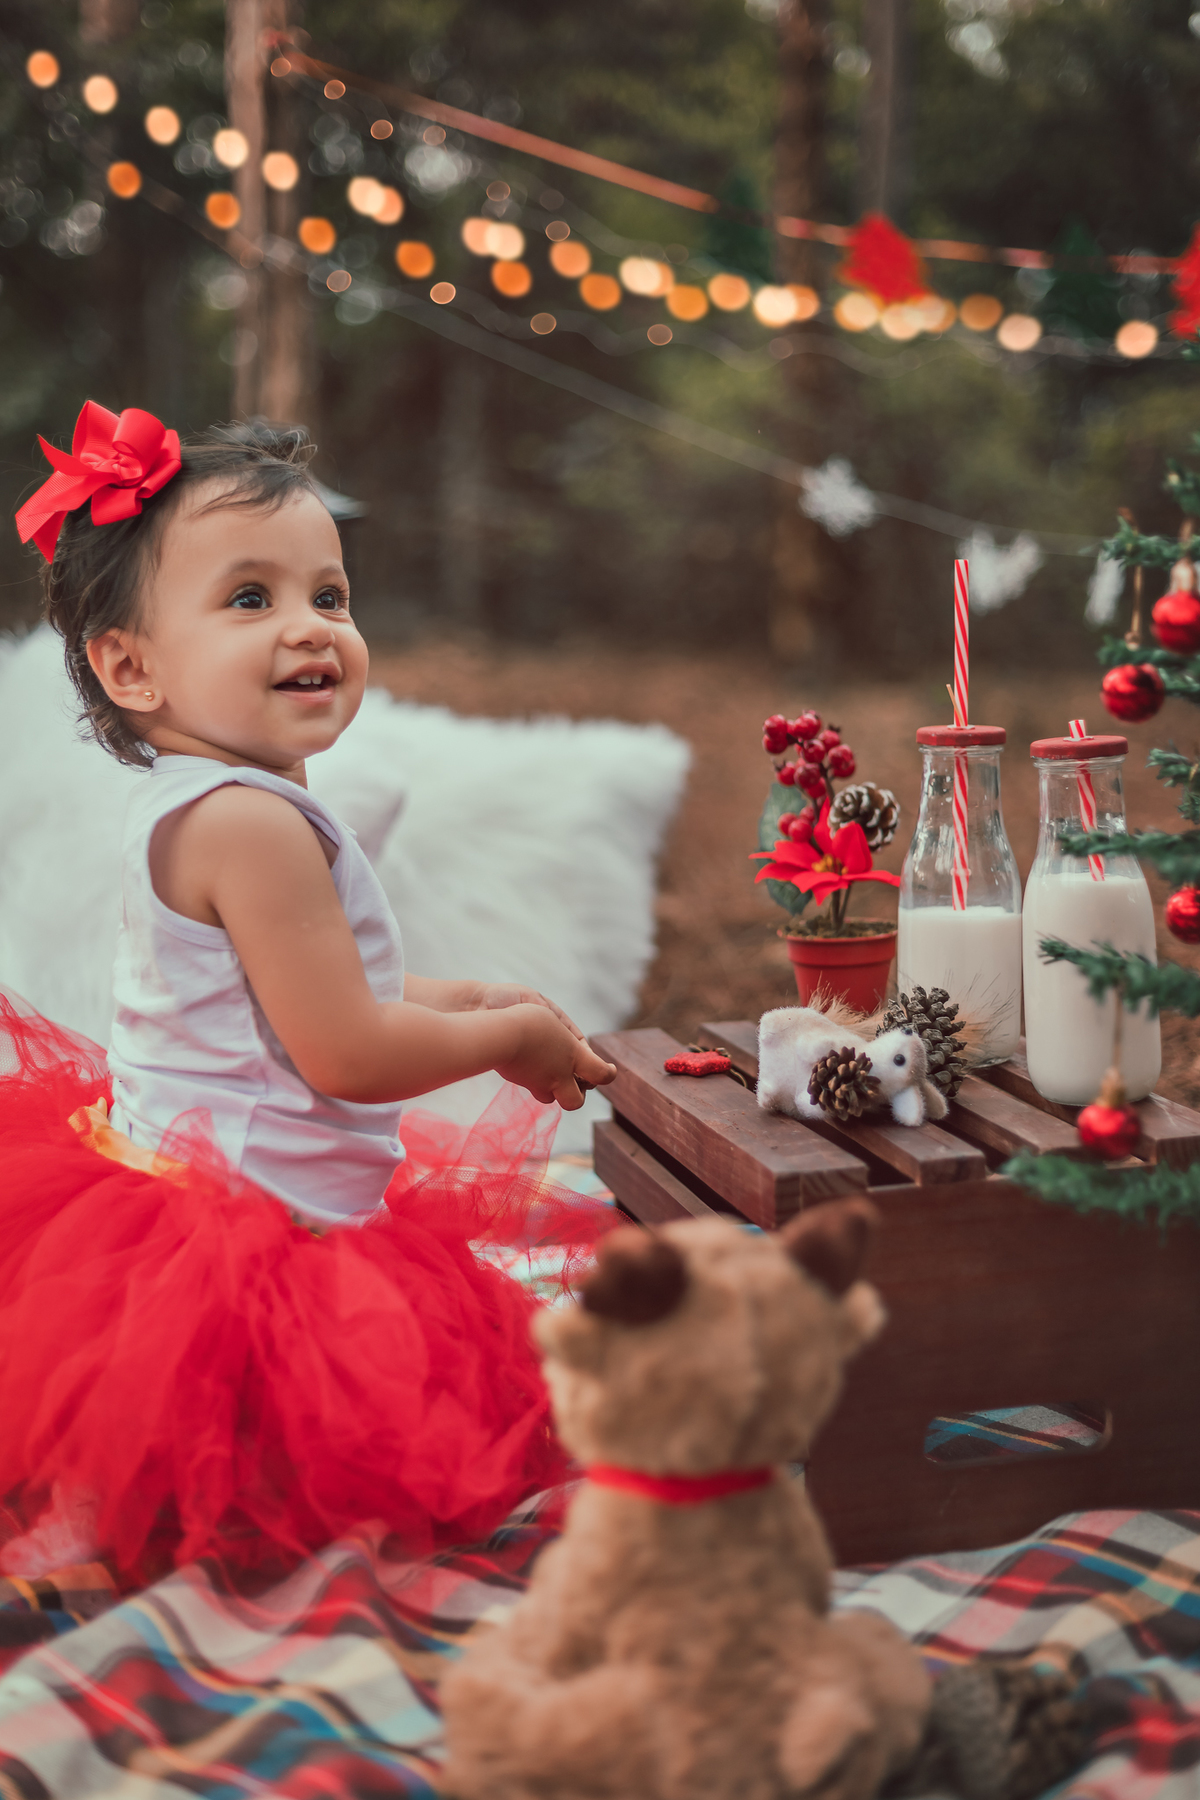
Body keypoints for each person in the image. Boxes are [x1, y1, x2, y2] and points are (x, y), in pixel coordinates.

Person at [0, 401, 617, 1587]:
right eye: (250, 600)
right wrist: (510, 1033)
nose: (310, 628)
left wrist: (464, 991)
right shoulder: (248, 824)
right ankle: (102, 1516)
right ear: (130, 665)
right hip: (253, 1225)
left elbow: (295, 991)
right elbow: (340, 1049)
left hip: (182, 1180)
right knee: (303, 1414)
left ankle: (96, 1503)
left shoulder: (211, 802)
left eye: (328, 596)